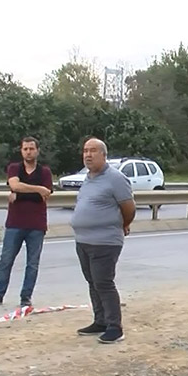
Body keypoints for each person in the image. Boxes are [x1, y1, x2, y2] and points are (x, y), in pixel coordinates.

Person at [70, 137, 134, 344]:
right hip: (84, 240)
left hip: (105, 241)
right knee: (92, 282)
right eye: (85, 151)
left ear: (103, 155)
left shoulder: (115, 178)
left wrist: (122, 224)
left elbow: (129, 207)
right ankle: (101, 321)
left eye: (93, 151)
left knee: (104, 283)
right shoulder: (88, 178)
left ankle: (115, 327)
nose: (88, 155)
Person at [0, 136, 51, 308]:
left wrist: (21, 194)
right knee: (6, 259)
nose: (28, 152)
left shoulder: (44, 172)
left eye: (31, 148)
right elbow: (15, 186)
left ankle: (26, 296)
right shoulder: (14, 168)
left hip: (36, 224)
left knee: (32, 263)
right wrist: (37, 189)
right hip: (15, 222)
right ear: (21, 151)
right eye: (25, 149)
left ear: (37, 150)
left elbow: (45, 195)